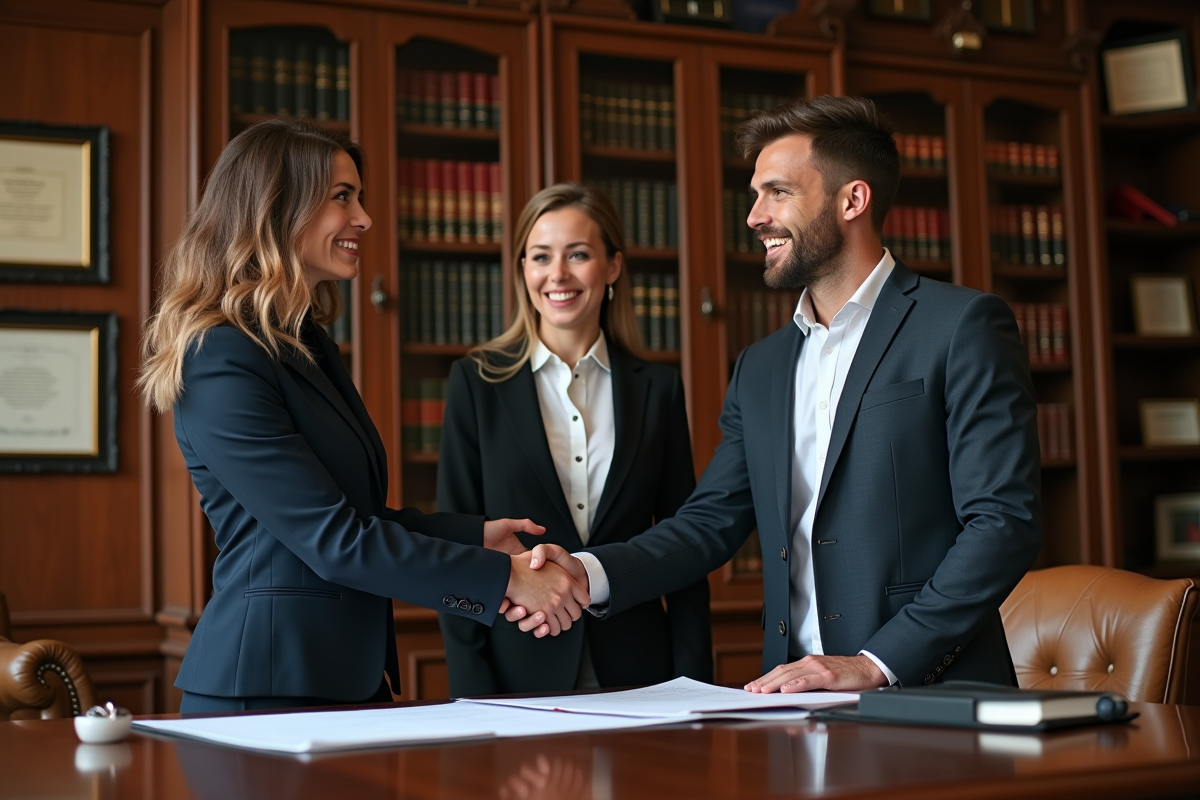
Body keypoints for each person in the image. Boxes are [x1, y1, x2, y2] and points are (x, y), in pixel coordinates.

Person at [512, 95, 1042, 693]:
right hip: (788, 700)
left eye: (778, 192)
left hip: (933, 698)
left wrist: (875, 663)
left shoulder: (962, 325)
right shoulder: (760, 367)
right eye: (755, 196)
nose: (755, 217)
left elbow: (1002, 523)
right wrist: (587, 573)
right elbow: (709, 522)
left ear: (852, 200)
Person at [137, 119, 588, 713]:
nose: (365, 219)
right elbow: (333, 540)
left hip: (343, 681)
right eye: (341, 197)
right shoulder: (220, 355)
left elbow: (354, 514)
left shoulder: (306, 343)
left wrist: (478, 537)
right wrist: (504, 578)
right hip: (265, 690)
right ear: (279, 209)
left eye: (360, 197)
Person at [436, 183, 712, 697]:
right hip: (516, 672)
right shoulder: (476, 383)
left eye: (578, 254)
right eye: (541, 256)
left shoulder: (659, 389)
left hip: (643, 674)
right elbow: (459, 545)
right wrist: (472, 692)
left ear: (611, 267)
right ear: (523, 270)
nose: (557, 274)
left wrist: (696, 685)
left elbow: (686, 544)